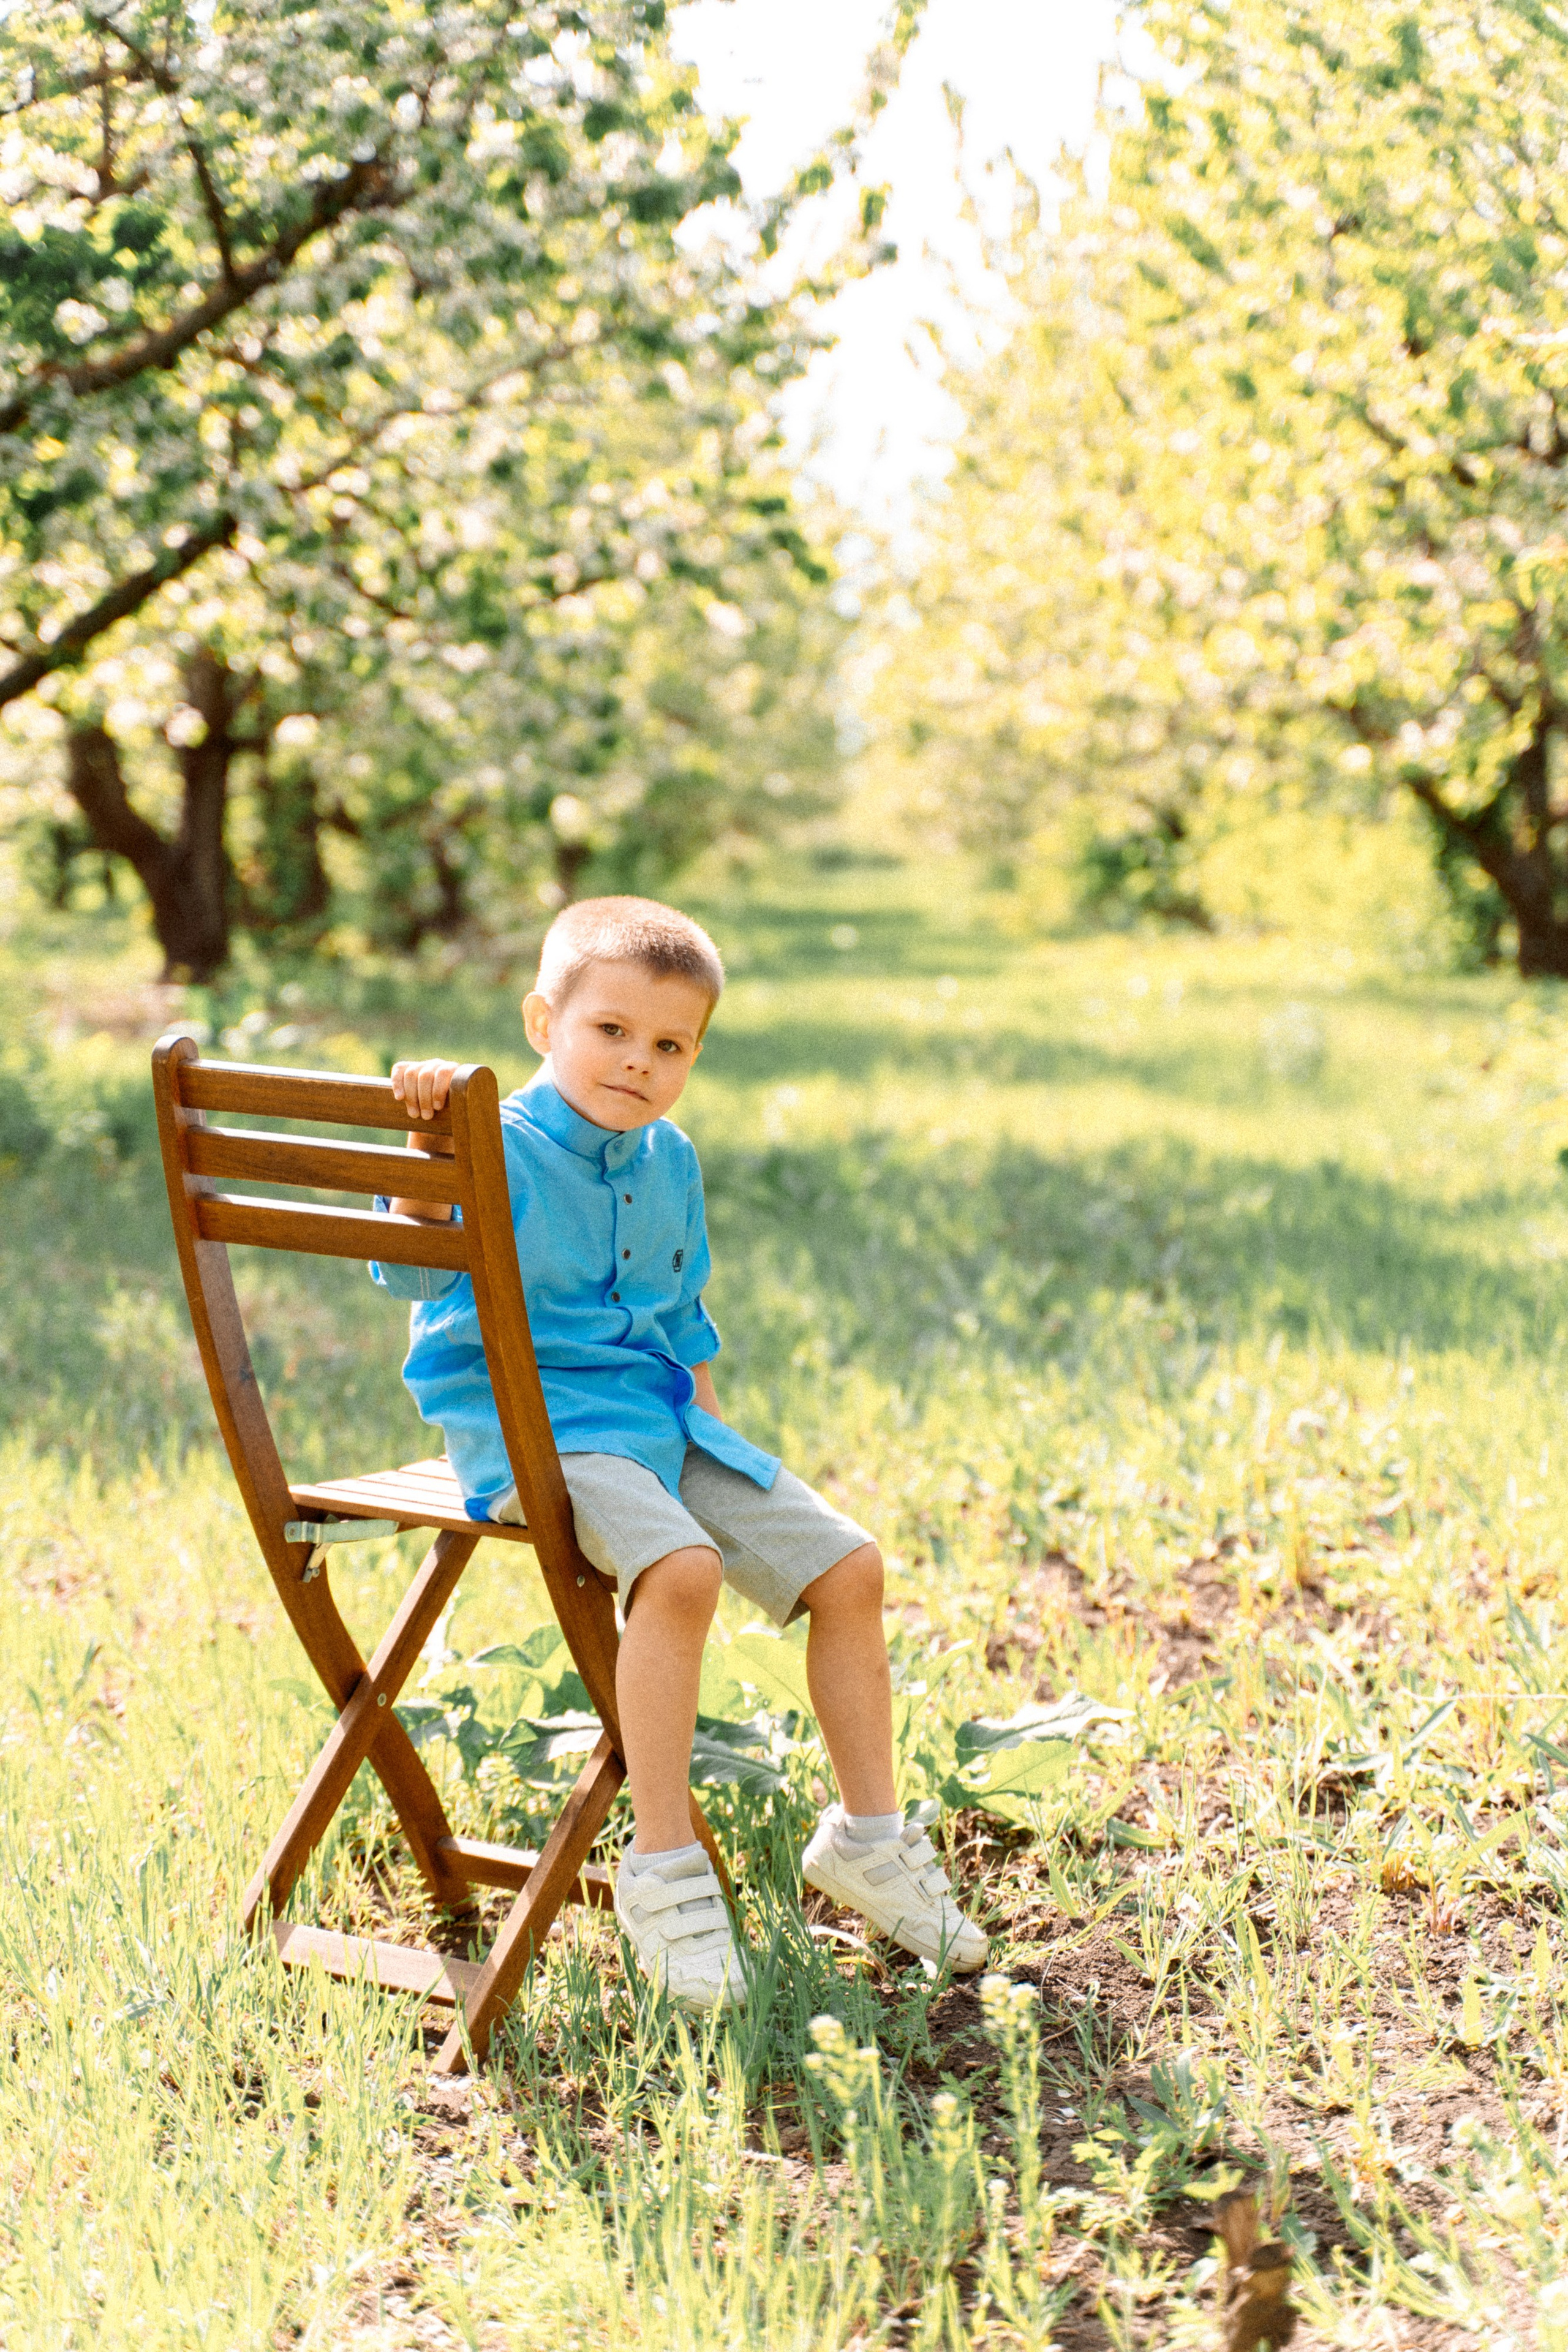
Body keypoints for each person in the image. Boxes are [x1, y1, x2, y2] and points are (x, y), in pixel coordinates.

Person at [371, 895, 986, 2010]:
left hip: (661, 1424)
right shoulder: (487, 1142)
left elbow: (682, 1316)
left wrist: (719, 1455)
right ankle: (661, 1867)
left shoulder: (670, 1159)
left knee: (849, 1567)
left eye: (669, 1046)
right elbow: (412, 1276)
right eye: (609, 1031)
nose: (637, 1063)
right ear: (541, 1021)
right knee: (682, 1569)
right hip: (535, 1434)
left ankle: (867, 1840)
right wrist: (425, 1138)